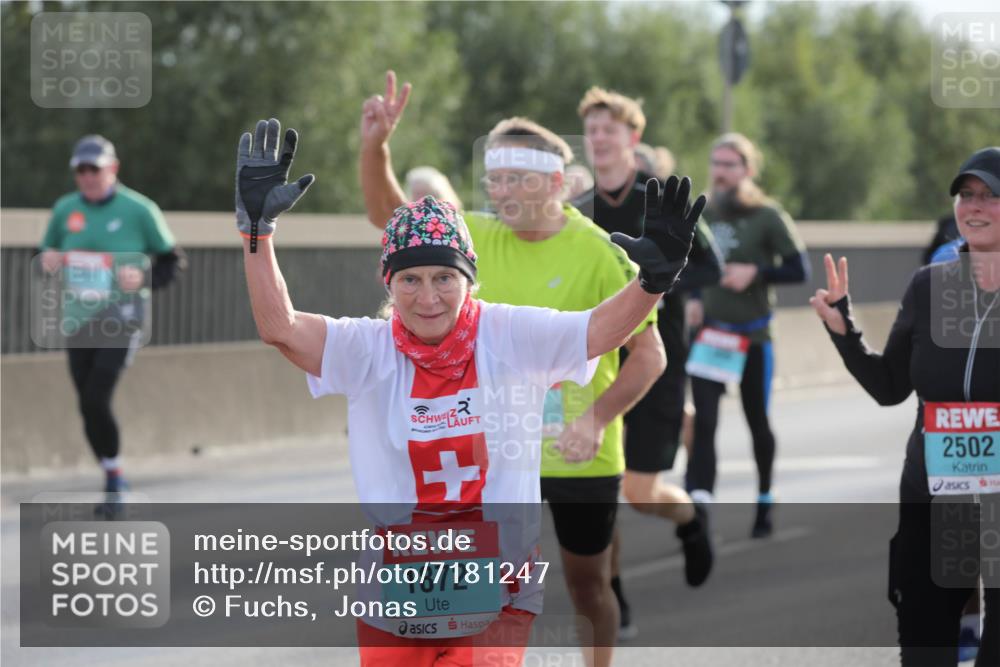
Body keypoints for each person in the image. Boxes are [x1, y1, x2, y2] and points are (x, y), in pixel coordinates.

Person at [238, 116, 704, 667]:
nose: (428, 298)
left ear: (469, 280)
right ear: (388, 283)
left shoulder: (508, 332)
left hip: (496, 583)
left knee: (583, 584)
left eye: (444, 278)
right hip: (396, 578)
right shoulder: (367, 348)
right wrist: (257, 235)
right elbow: (281, 328)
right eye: (409, 280)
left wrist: (652, 283)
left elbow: (599, 332)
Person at [359, 72, 675, 667]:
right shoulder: (474, 235)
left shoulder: (600, 251)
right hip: (491, 454)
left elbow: (650, 355)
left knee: (588, 585)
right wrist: (376, 147)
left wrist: (596, 420)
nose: (500, 191)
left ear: (554, 181)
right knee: (469, 592)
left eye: (515, 179)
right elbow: (390, 214)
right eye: (494, 178)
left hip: (574, 451)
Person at [808, 146, 999, 667]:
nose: (974, 206)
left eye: (990, 195)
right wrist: (844, 332)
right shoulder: (929, 286)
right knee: (922, 650)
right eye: (966, 195)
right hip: (931, 498)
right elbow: (890, 385)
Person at [573, 86, 721, 638]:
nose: (599, 139)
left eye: (609, 129)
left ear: (632, 137)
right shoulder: (578, 210)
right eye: (591, 130)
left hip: (657, 358)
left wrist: (660, 280)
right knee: (602, 486)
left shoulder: (658, 199)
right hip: (596, 363)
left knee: (639, 492)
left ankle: (690, 518)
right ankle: (610, 593)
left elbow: (711, 266)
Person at [38, 134, 184, 497]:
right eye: (81, 170)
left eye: (95, 169)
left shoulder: (140, 210)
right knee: (86, 405)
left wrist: (143, 277)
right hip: (78, 319)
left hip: (122, 317)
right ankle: (112, 471)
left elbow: (173, 262)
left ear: (113, 168)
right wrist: (47, 260)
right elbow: (44, 254)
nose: (88, 176)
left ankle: (115, 481)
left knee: (97, 397)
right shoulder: (65, 209)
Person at [685, 132, 810, 538]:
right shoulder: (700, 213)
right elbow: (685, 264)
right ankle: (699, 510)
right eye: (716, 163)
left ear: (748, 170)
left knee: (757, 421)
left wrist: (755, 272)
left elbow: (800, 269)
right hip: (711, 336)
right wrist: (692, 297)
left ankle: (765, 496)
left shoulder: (767, 215)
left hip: (753, 337)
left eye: (730, 164)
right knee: (704, 423)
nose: (720, 172)